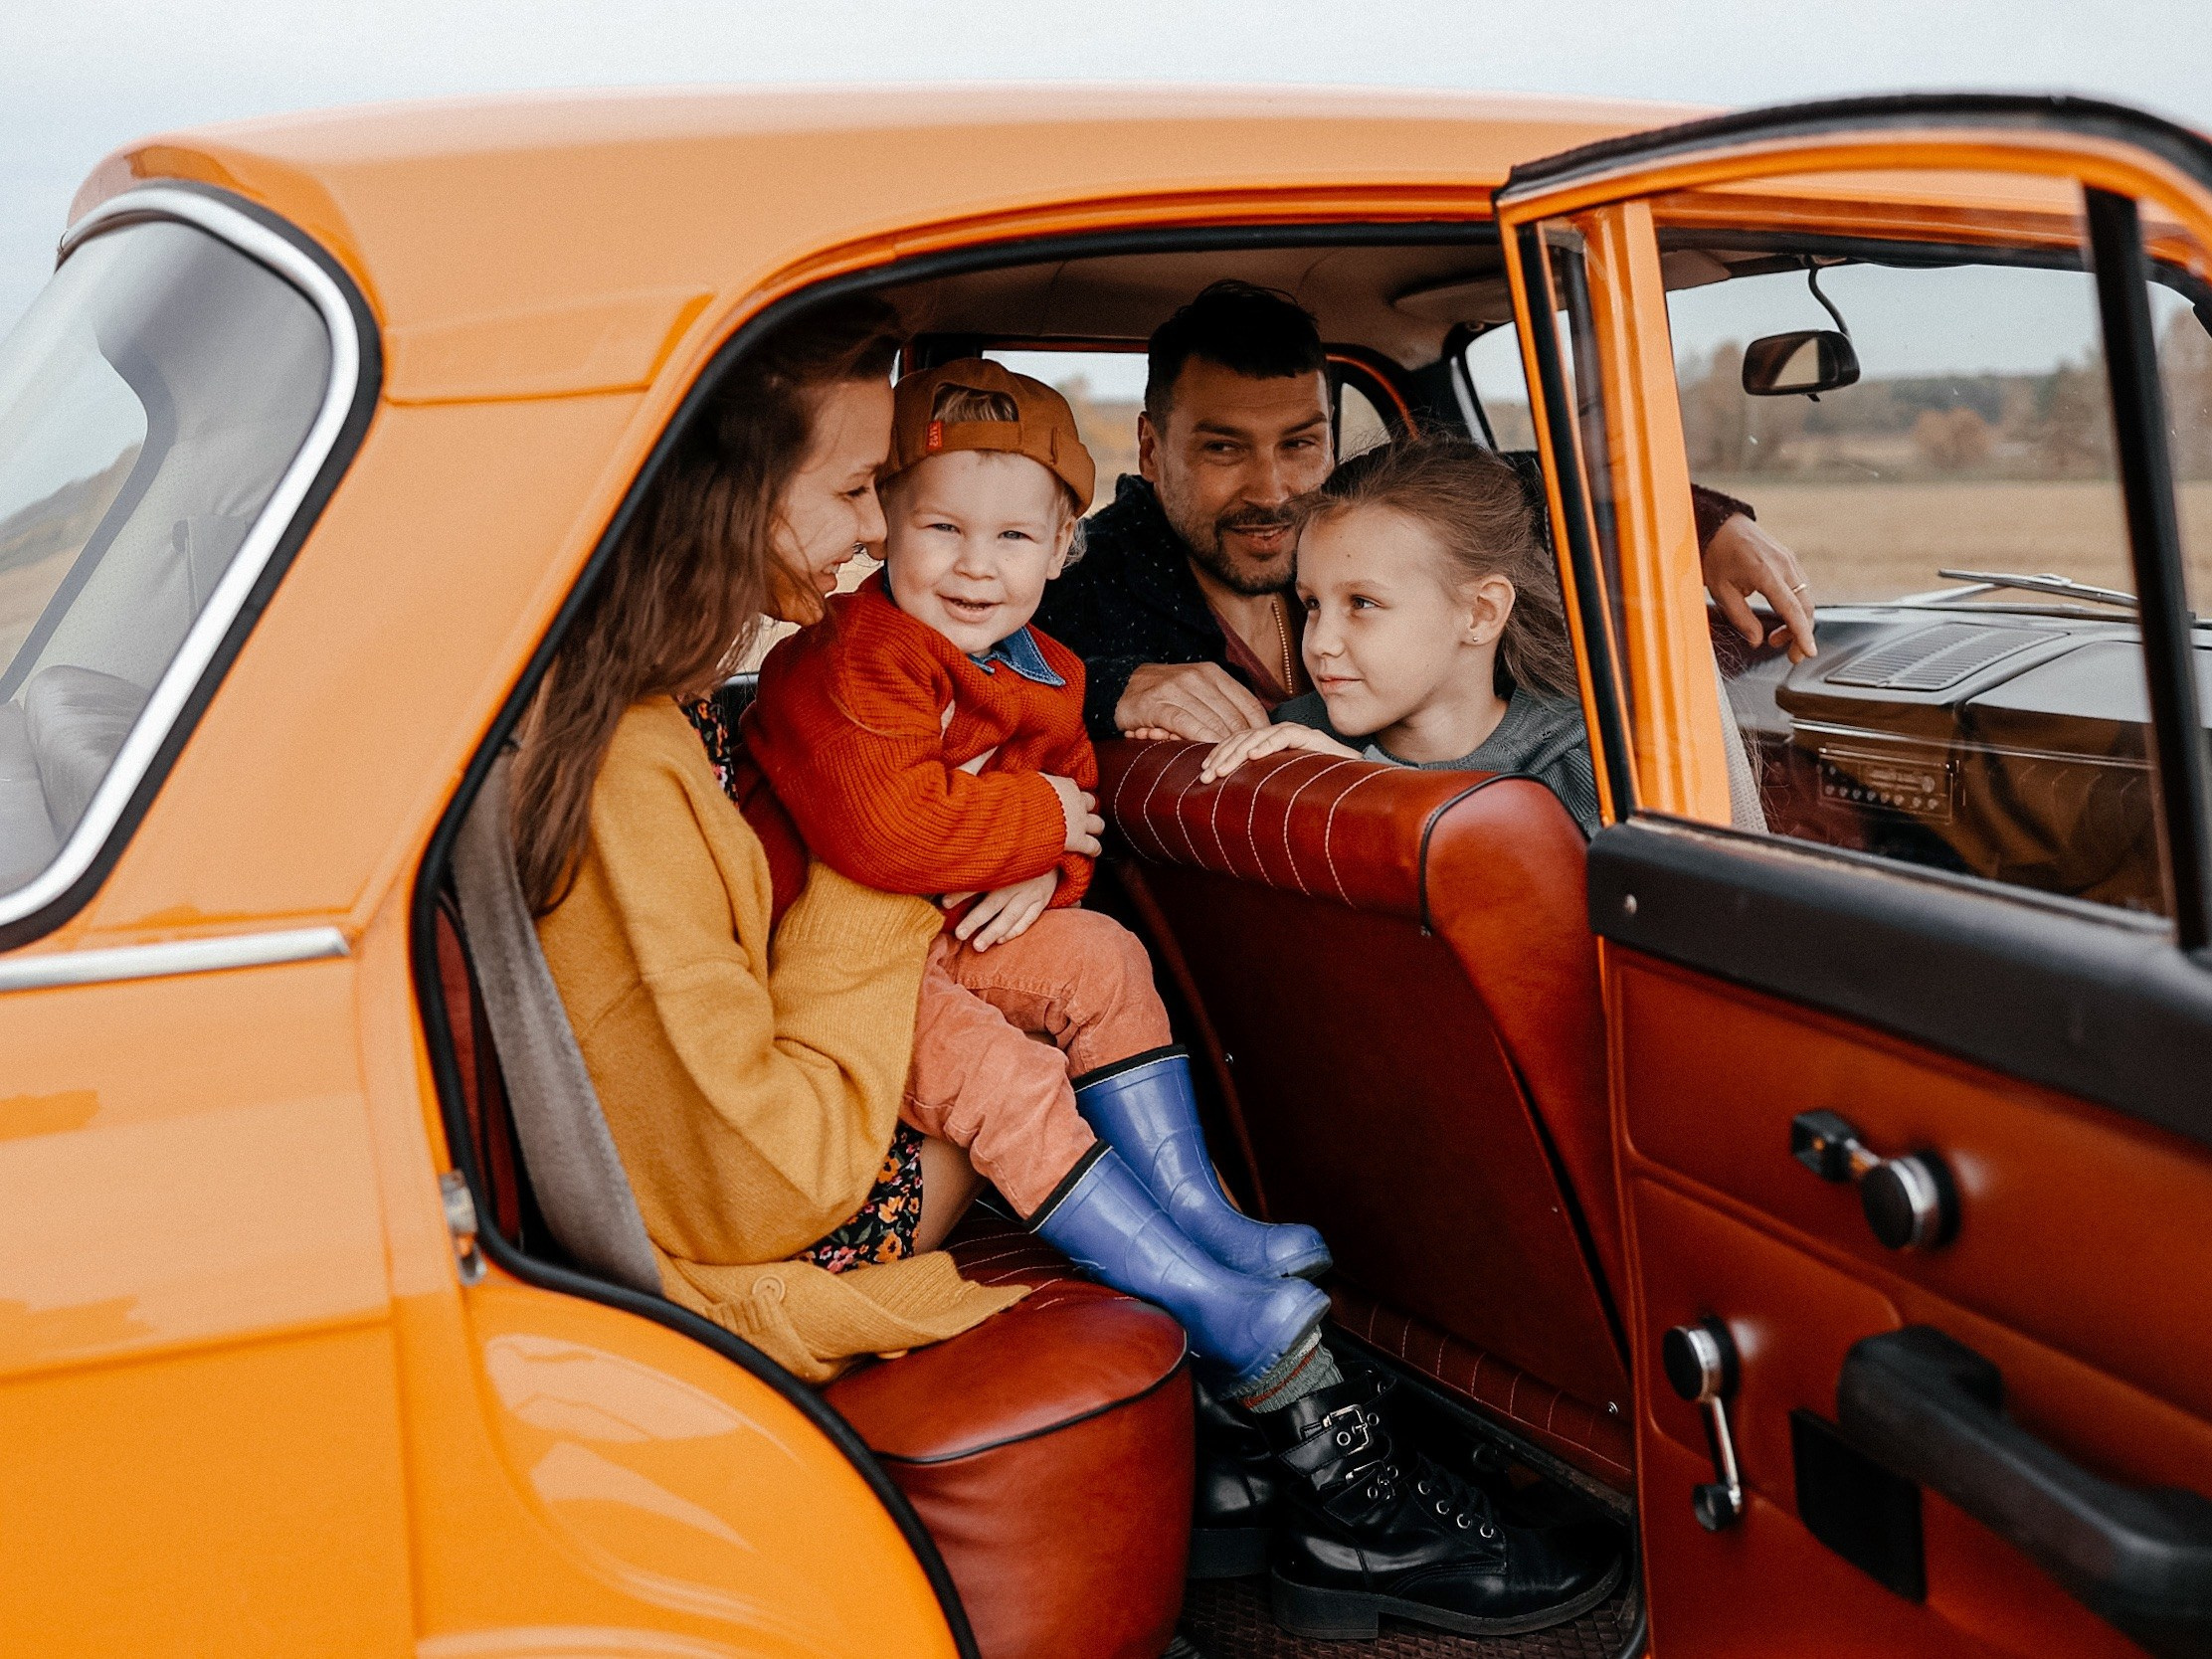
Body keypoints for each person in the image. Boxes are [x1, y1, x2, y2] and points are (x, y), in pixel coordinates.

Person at [742, 358, 1342, 1402]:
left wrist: (1055, 859)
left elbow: (1072, 793)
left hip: (947, 928)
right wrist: (1042, 826)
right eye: (942, 531)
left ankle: (1198, 1219)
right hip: (833, 971)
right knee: (1001, 1074)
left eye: (1014, 538)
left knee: (1106, 956)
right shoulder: (851, 659)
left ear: (1063, 547)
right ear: (885, 521)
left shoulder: (1047, 667)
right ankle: (1198, 1300)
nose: (977, 568)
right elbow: (888, 832)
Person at [513, 299, 1024, 1383]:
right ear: (725, 501)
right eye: (852, 491)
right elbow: (768, 1182)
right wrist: (887, 855)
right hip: (765, 1220)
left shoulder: (675, 710)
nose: (882, 532)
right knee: (1017, 1082)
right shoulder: (625, 777)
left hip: (754, 1148)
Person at [1033, 278, 1816, 745]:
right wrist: (1107, 690)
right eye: (1223, 450)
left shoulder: (1359, 521)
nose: (1273, 492)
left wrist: (1701, 523)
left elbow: (1518, 482)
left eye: (1301, 444)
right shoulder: (1071, 588)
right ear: (1149, 449)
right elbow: (944, 681)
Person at [1200, 435, 1599, 835]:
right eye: (1312, 604)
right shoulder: (1291, 738)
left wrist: (1370, 784)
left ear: (1481, 613)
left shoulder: (1582, 761)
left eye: (1362, 603)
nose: (1321, 642)